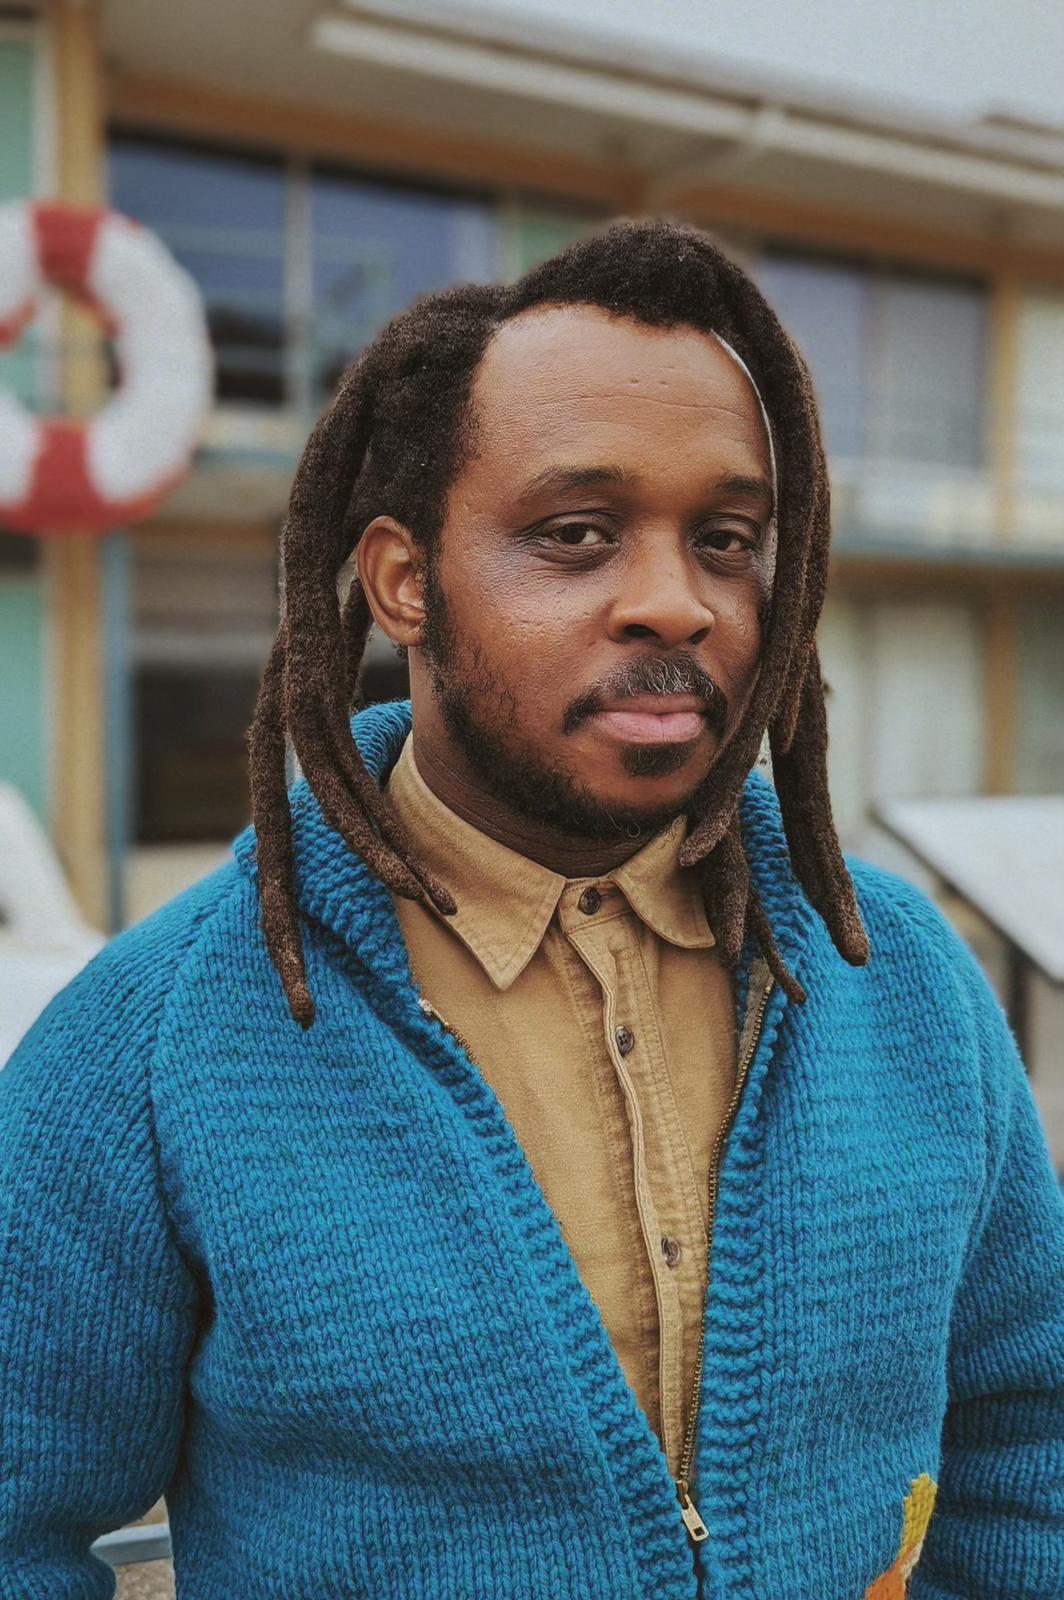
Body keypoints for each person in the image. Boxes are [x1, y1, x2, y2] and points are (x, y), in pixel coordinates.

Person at [1, 219, 1061, 1600]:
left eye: (728, 538)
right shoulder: (156, 1040)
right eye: (577, 534)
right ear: (403, 579)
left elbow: (1030, 1440)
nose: (676, 602)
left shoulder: (904, 981)